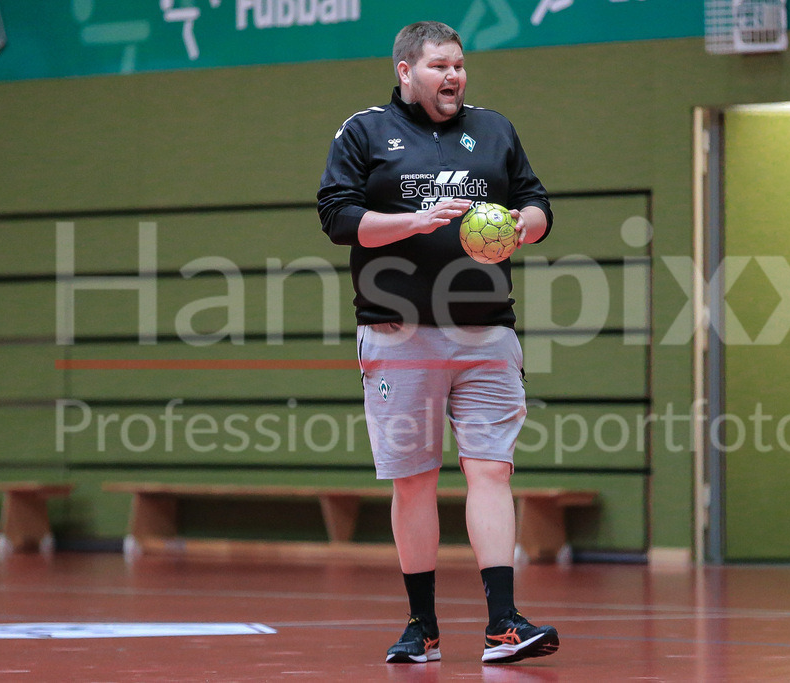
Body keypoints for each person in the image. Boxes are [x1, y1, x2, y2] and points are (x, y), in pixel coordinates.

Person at [317, 20, 558, 665]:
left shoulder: (495, 130)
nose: (453, 76)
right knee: (416, 482)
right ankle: (421, 628)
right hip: (398, 334)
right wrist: (413, 221)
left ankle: (503, 624)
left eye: (459, 65)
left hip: (487, 331)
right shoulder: (365, 132)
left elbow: (539, 205)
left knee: (491, 469)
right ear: (405, 71)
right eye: (438, 66)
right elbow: (338, 217)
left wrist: (520, 226)